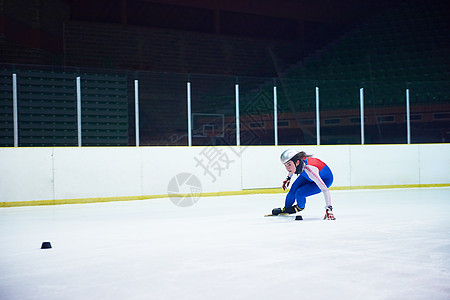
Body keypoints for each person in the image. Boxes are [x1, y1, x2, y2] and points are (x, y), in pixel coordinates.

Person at [272, 149, 336, 220]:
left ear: (297, 162)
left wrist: (329, 209)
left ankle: (300, 207)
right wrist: (288, 178)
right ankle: (287, 208)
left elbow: (325, 190)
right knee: (293, 189)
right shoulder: (298, 162)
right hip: (307, 176)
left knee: (299, 193)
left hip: (324, 180)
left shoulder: (310, 170)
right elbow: (292, 168)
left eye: (289, 164)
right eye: (285, 165)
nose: (287, 168)